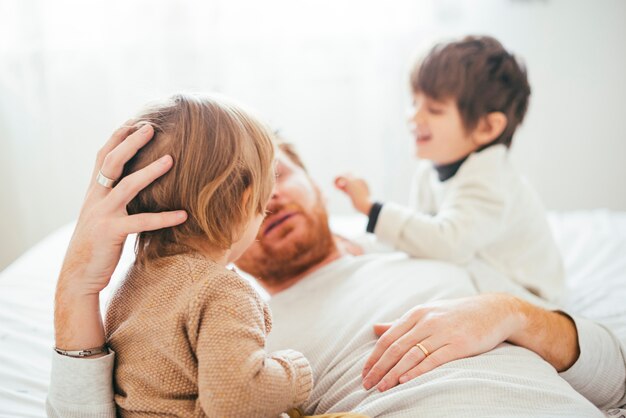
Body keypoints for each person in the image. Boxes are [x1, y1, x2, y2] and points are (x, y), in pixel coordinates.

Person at [48, 125, 626, 417]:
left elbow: (615, 376)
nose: (266, 202)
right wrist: (77, 288)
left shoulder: (433, 247)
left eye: (275, 178)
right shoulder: (210, 316)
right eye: (231, 195)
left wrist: (509, 313)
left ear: (313, 179)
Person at [47, 106, 361, 418]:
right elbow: (237, 401)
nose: (274, 198)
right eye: (269, 186)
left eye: (282, 175)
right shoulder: (222, 291)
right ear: (247, 200)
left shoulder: (132, 284)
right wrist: (295, 370)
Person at [335, 36, 563, 302]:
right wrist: (361, 247)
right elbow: (419, 239)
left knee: (438, 273)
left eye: (434, 109)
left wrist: (371, 207)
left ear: (486, 128)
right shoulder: (429, 170)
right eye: (414, 102)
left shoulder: (490, 179)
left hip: (527, 297)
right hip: (480, 268)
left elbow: (446, 244)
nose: (414, 116)